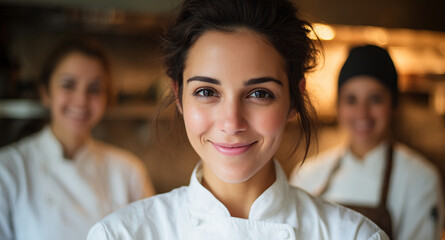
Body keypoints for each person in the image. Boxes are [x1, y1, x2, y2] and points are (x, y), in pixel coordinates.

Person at [86, 1, 389, 239]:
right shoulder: (120, 235)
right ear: (178, 95)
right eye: (207, 91)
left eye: (259, 93)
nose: (231, 123)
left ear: (294, 101)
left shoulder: (355, 236)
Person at [0, 39, 155, 240]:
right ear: (45, 93)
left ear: (106, 98)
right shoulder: (8, 169)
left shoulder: (129, 170)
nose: (81, 100)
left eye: (94, 89)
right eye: (68, 85)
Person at [290, 44, 445, 240]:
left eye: (375, 99)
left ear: (393, 105)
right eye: (351, 100)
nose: (362, 113)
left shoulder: (420, 180)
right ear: (338, 106)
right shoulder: (307, 175)